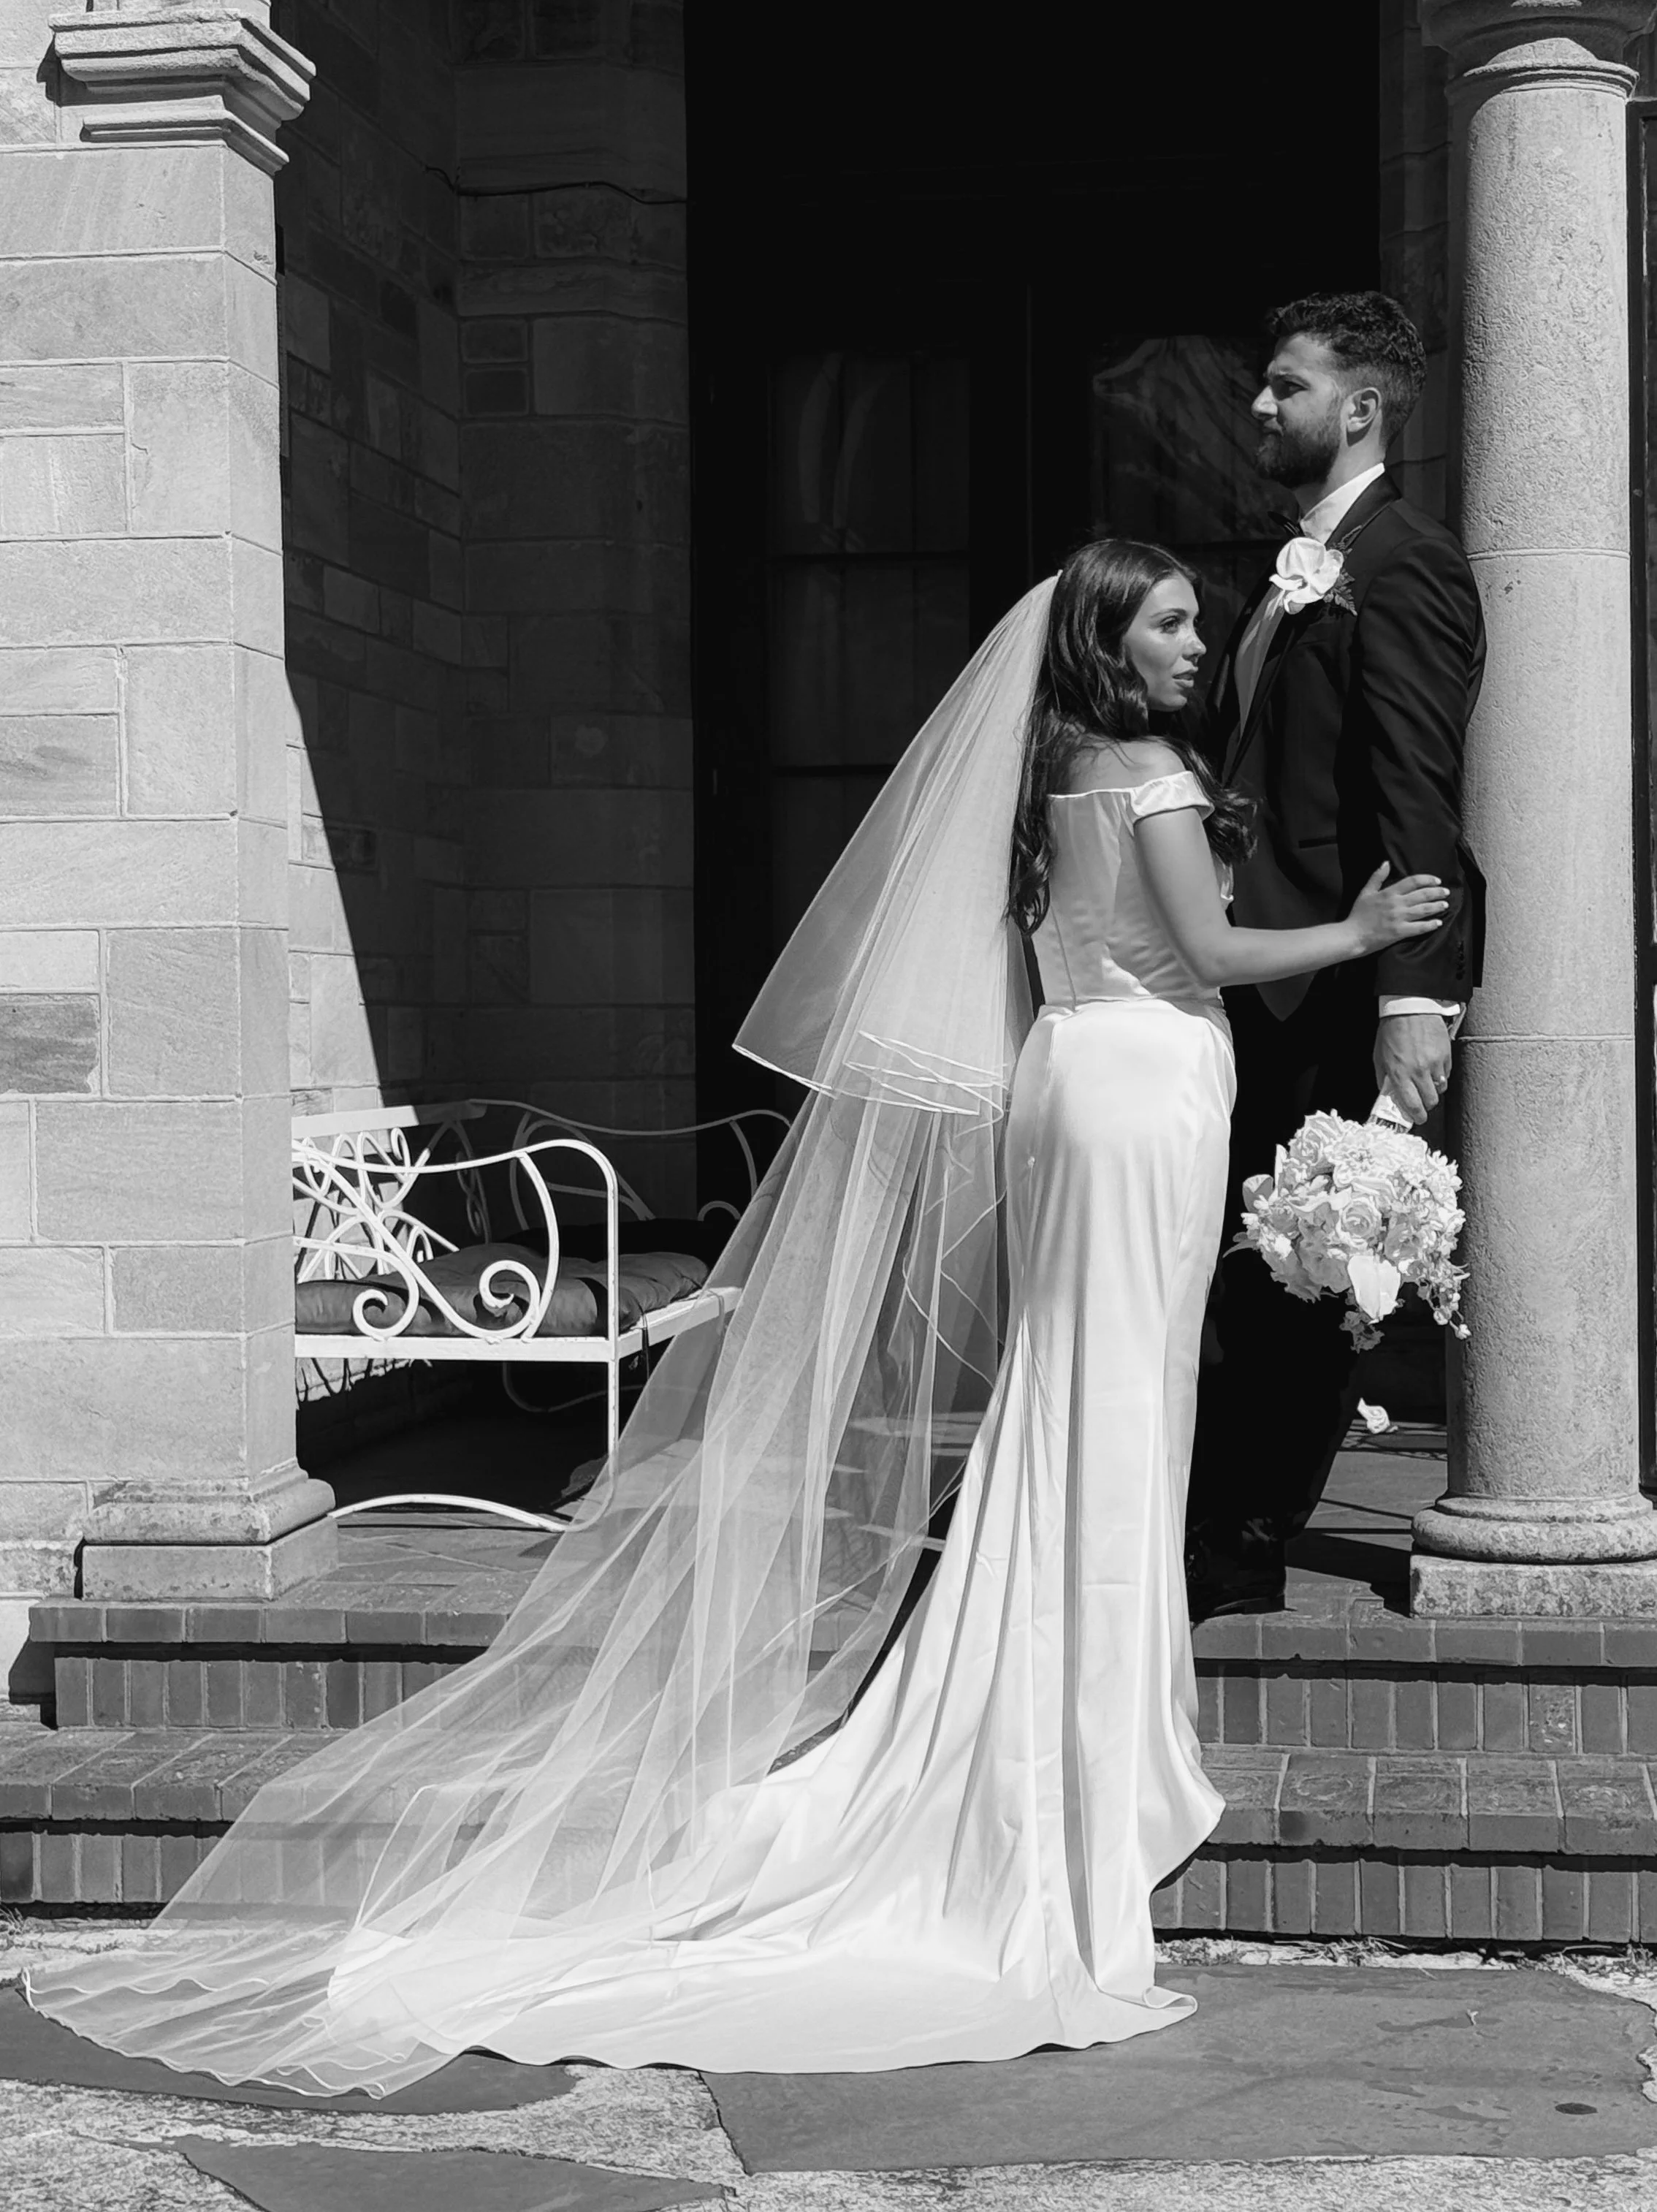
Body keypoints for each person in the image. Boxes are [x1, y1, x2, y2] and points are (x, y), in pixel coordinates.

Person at [25, 542, 1445, 2094]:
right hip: (1144, 1092)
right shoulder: (1146, 773)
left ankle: (1064, 1694)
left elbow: (1071, 960)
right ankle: (1072, 1741)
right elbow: (1225, 955)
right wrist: (1365, 935)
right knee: (1111, 1403)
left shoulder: (1051, 778)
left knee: (1078, 1395)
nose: (1198, 639)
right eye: (1169, 620)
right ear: (1108, 642)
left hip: (1073, 1080)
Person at [1186, 291, 1487, 1619]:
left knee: (1307, 1270)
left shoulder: (1405, 562)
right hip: (1260, 968)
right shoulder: (1297, 563)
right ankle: (1210, 1517)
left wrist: (1416, 996)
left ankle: (1242, 1543)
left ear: (1360, 409)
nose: (1259, 405)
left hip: (1337, 984)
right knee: (1250, 1264)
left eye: (1284, 385)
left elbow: (1419, 786)